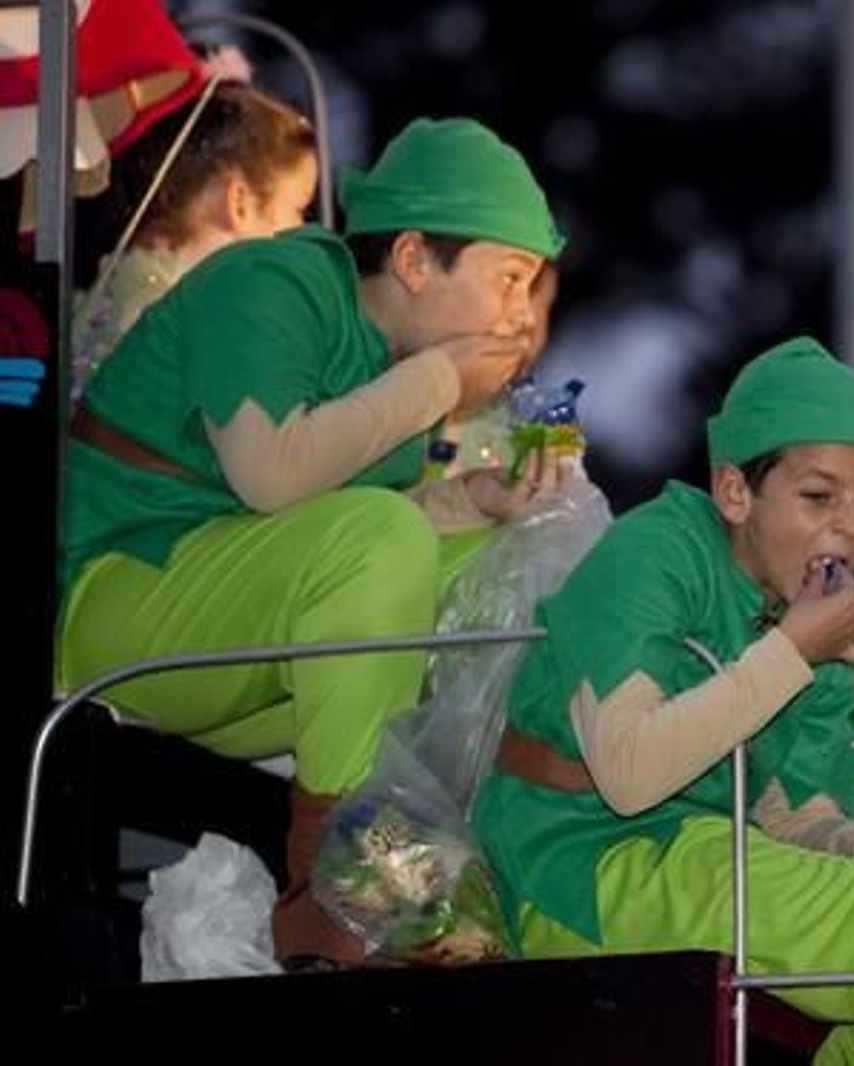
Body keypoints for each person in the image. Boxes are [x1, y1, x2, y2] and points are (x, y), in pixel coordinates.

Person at [57, 116, 567, 967]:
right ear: (411, 259)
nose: (519, 316)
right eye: (509, 279)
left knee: (499, 566)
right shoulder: (271, 282)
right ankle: (343, 886)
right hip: (112, 606)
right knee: (383, 534)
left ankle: (477, 855)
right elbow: (274, 479)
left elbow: (334, 532)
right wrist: (439, 381)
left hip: (231, 645)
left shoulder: (385, 357)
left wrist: (476, 497)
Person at [473, 337, 854, 1064]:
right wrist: (792, 651)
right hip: (574, 861)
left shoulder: (819, 609)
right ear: (736, 492)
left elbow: (784, 808)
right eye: (818, 495)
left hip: (702, 852)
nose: (848, 526)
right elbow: (628, 773)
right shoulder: (656, 553)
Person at [72, 78, 319, 398]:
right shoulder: (193, 327)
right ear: (240, 203)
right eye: (299, 209)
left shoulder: (125, 285)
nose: (303, 232)